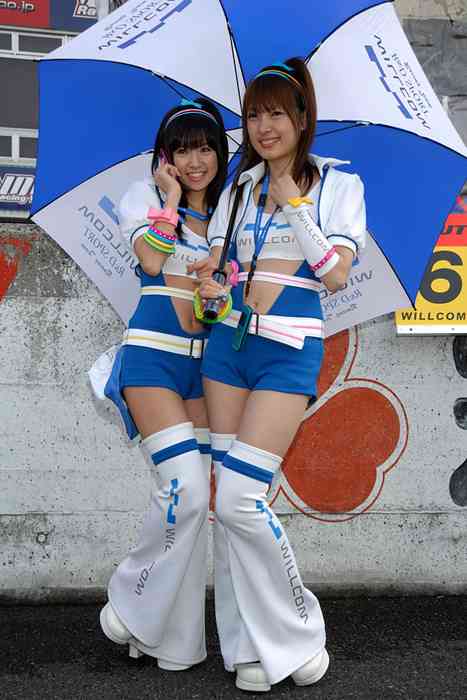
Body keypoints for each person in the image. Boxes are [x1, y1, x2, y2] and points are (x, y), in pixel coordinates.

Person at [195, 58, 366, 692]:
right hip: (227, 348)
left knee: (241, 498)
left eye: (275, 113)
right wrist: (212, 285)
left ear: (300, 119)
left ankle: (297, 632)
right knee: (228, 505)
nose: (263, 127)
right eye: (252, 115)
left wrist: (294, 202)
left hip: (289, 351)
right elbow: (218, 268)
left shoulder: (338, 184)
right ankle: (245, 647)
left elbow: (335, 274)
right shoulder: (238, 189)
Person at [97, 98, 229, 670]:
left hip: (204, 371)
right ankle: (130, 601)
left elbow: (223, 312)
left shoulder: (228, 219)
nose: (195, 161)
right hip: (152, 360)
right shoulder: (144, 198)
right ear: (165, 157)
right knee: (185, 491)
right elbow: (151, 262)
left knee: (196, 510)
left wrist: (217, 294)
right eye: (183, 149)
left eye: (206, 148)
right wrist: (171, 202)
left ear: (220, 154)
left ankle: (175, 642)